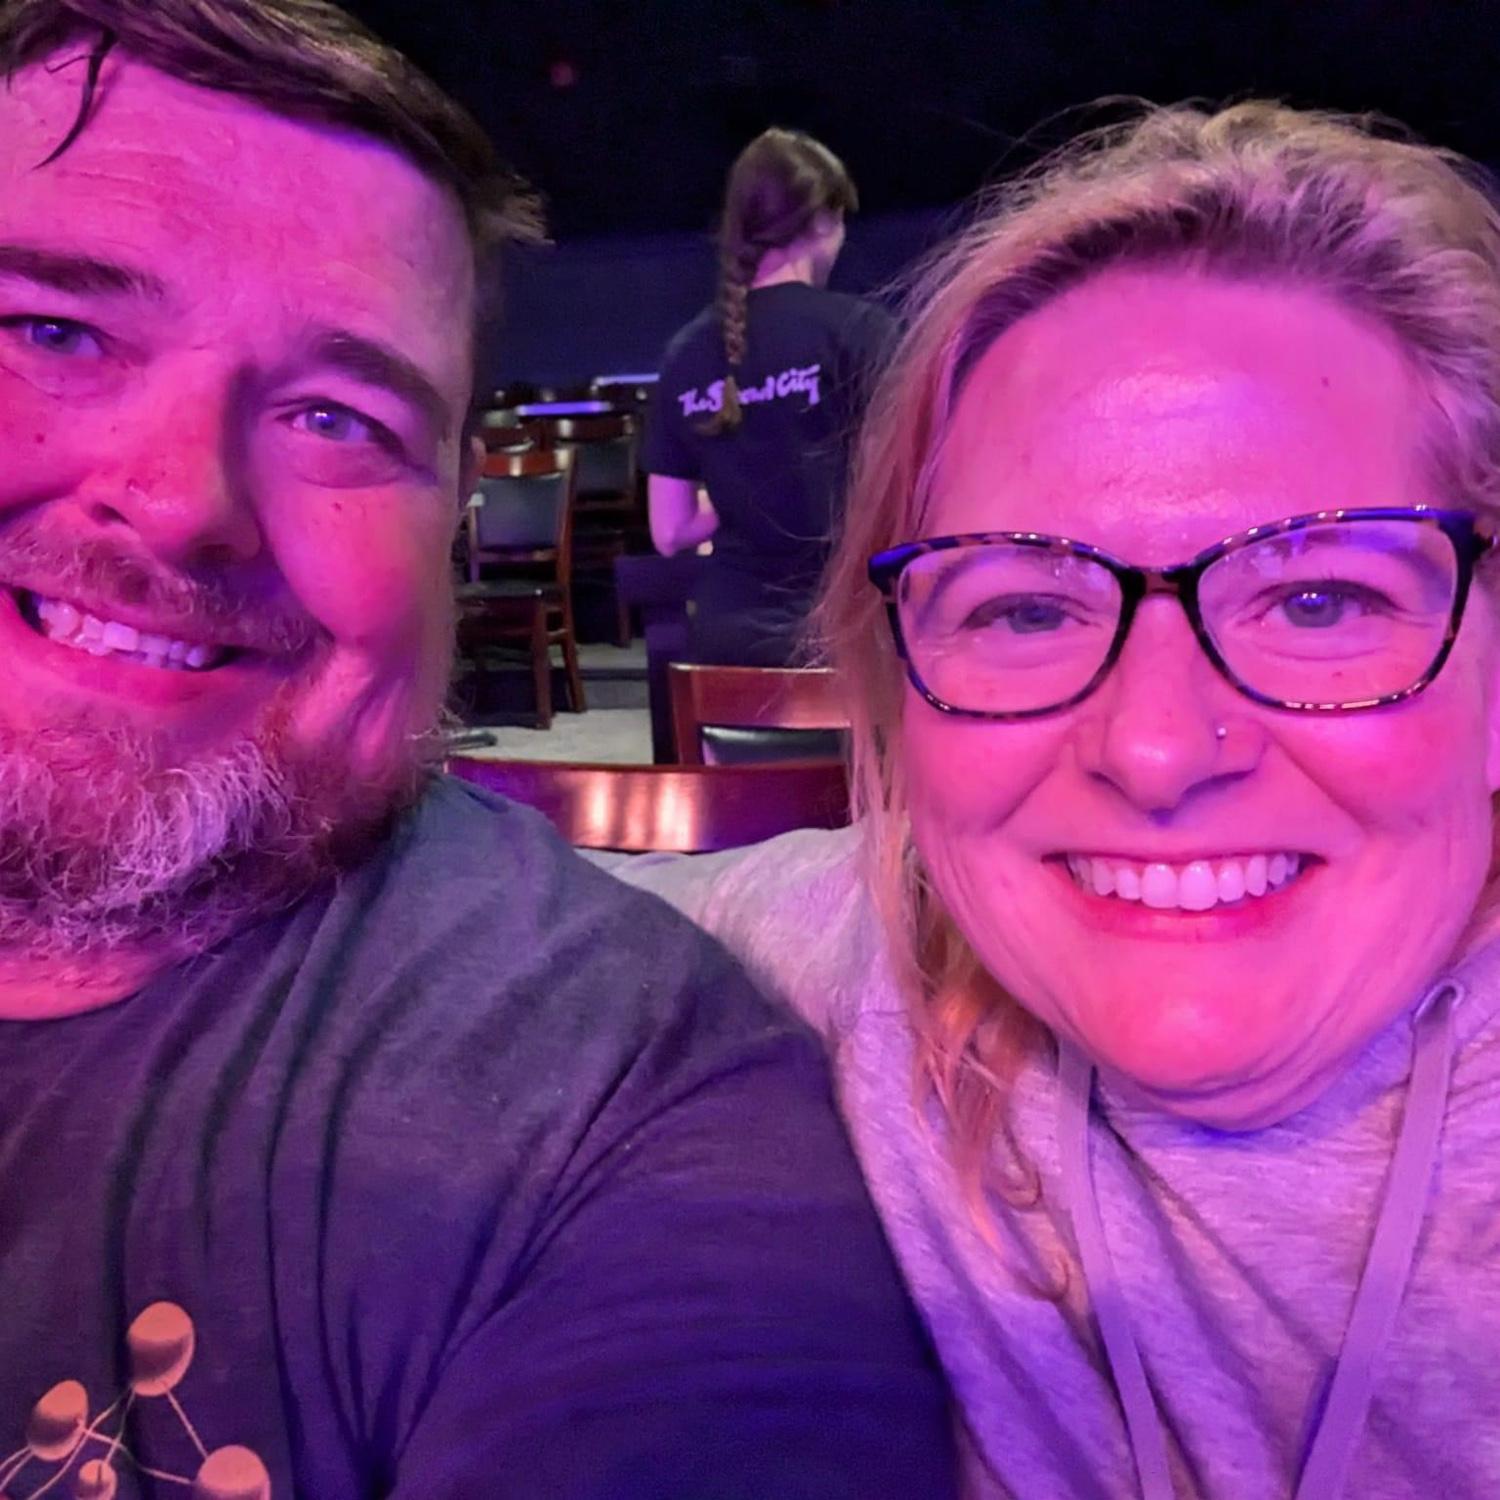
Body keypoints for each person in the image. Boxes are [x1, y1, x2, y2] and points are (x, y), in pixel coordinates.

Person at [0, 4, 962, 1497]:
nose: (185, 503)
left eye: (338, 417)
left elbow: (668, 534)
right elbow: (924, 548)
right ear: (827, 230)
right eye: (50, 333)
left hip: (712, 655)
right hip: (839, 669)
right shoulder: (861, 344)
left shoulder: (602, 1112)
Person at [605, 101, 1500, 1499]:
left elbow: (670, 531)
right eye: (1024, 608)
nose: (1155, 749)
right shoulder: (872, 958)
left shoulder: (688, 361)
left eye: (1320, 600)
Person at [643, 128, 895, 665]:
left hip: (725, 642)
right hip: (841, 635)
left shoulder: (684, 354)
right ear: (822, 219)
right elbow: (891, 493)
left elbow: (669, 531)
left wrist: (737, 494)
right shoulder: (860, 331)